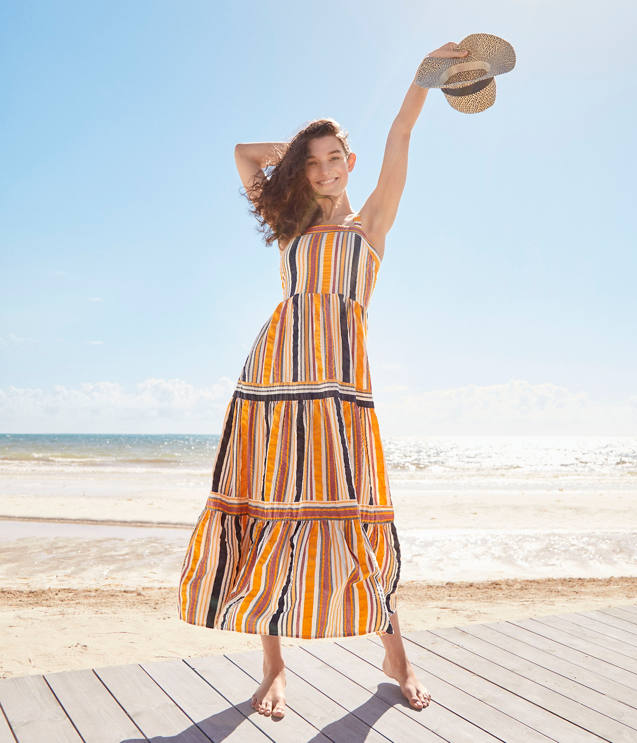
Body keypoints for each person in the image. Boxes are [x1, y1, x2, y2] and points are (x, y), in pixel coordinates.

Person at [178, 41, 470, 719]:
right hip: (273, 384)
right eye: (314, 165)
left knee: (355, 517)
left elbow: (399, 134)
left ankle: (396, 654)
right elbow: (244, 155)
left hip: (340, 393)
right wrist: (305, 144)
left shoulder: (371, 226)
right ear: (302, 175)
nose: (326, 170)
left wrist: (422, 82)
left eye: (336, 158)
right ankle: (273, 669)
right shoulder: (289, 224)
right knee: (269, 515)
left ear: (351, 164)